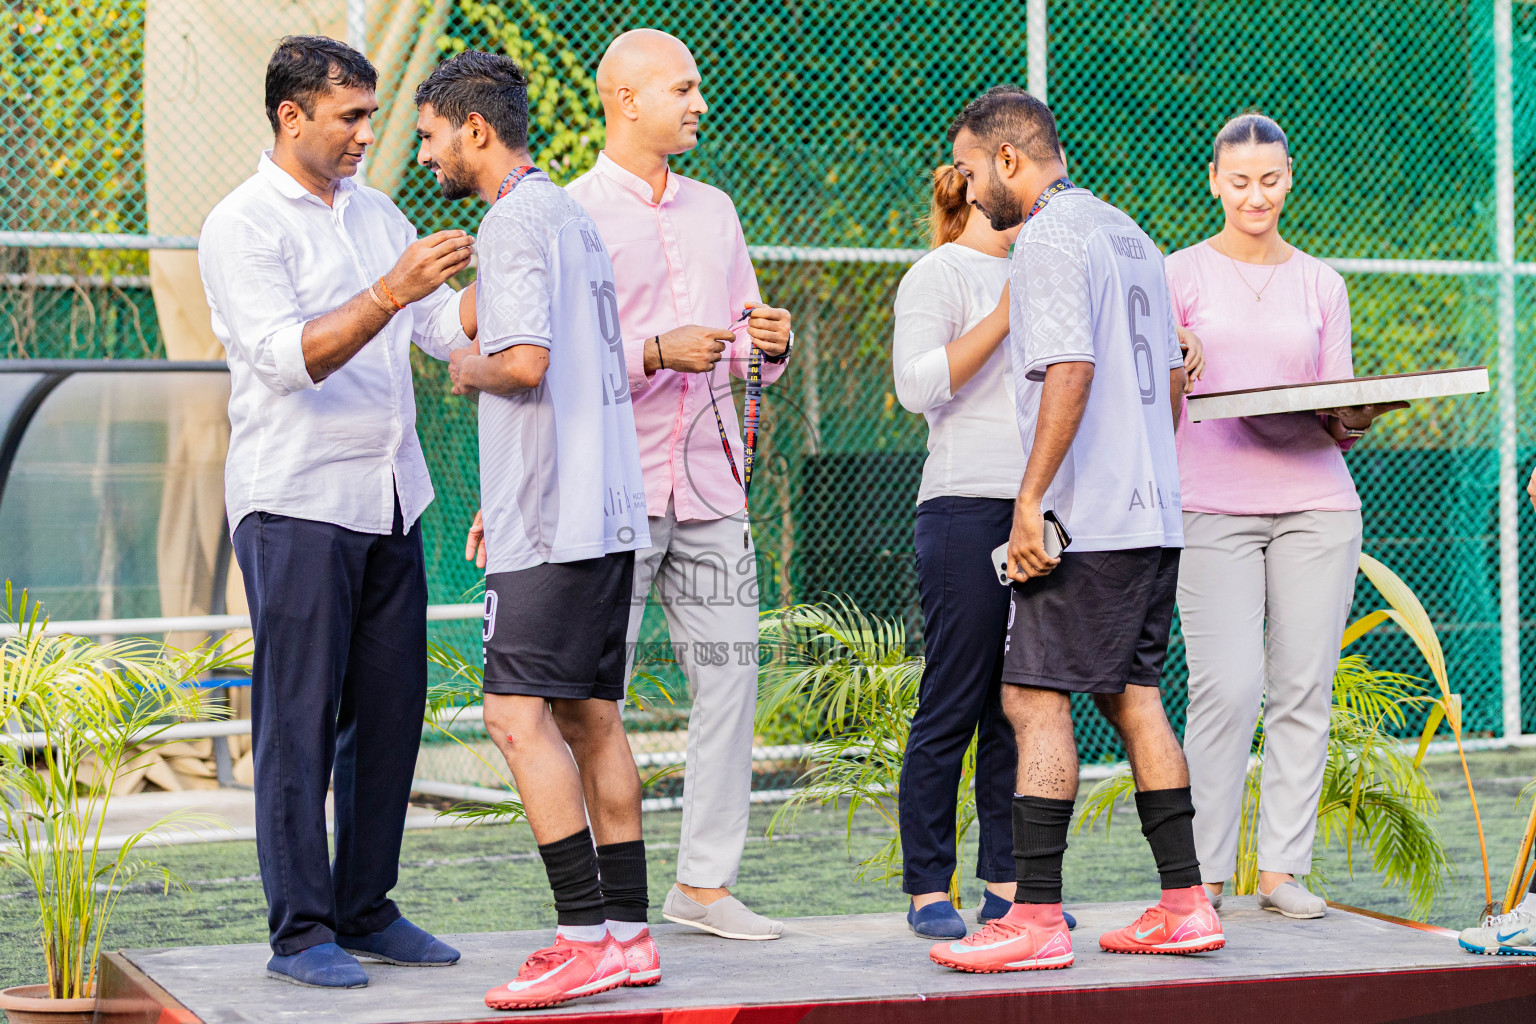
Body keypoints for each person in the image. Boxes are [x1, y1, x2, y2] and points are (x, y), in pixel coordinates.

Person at [928, 86, 1223, 974]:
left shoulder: (1049, 237)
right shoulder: (1129, 231)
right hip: (1151, 514)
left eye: (975, 172)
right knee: (1133, 699)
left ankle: (1038, 919)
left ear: (1011, 160)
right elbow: (1174, 373)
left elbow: (1070, 368)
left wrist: (1030, 502)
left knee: (1031, 699)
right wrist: (1144, 475)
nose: (971, 192)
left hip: (1086, 523)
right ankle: (1186, 904)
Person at [197, 35, 472, 989]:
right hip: (296, 500)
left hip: (390, 496)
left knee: (392, 714)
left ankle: (365, 908)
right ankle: (299, 931)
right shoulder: (241, 224)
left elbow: (445, 333)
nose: (367, 132)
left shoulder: (379, 211)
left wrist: (529, 249)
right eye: (349, 116)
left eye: (369, 114)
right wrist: (392, 289)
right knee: (298, 720)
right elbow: (286, 358)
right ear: (291, 116)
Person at [413, 51, 656, 1009]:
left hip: (554, 526)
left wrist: (466, 368)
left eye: (430, 134)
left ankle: (581, 939)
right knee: (592, 720)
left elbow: (519, 365)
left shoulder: (512, 220)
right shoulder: (568, 216)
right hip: (597, 508)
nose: (425, 151)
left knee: (515, 718)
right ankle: (629, 939)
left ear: (476, 129)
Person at [563, 28, 794, 941]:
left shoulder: (717, 211)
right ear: (625, 100)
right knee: (592, 698)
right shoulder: (572, 213)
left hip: (711, 493)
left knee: (732, 681)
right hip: (611, 497)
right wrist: (652, 351)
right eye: (684, 89)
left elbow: (747, 350)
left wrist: (765, 347)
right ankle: (594, 900)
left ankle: (703, 887)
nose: (700, 103)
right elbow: (556, 363)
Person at [1169, 113, 1404, 922]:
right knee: (1227, 689)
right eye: (1239, 181)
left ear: (1289, 178)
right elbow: (1150, 392)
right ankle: (1196, 878)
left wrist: (1359, 415)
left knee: (1303, 687)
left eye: (1269, 180)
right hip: (1210, 504)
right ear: (1214, 181)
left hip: (1318, 503)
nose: (1255, 196)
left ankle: (1281, 873)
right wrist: (1177, 354)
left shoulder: (1322, 283)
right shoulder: (1178, 275)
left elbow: (1332, 408)